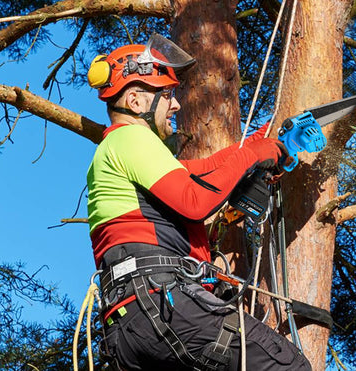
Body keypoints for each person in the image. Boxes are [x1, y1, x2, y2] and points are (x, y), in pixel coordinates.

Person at [86, 33, 311, 371]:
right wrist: (252, 156)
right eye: (166, 95)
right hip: (160, 302)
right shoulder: (131, 138)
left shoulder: (118, 153)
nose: (175, 105)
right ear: (135, 102)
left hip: (132, 323)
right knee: (288, 365)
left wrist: (258, 145)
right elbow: (196, 200)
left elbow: (203, 171)